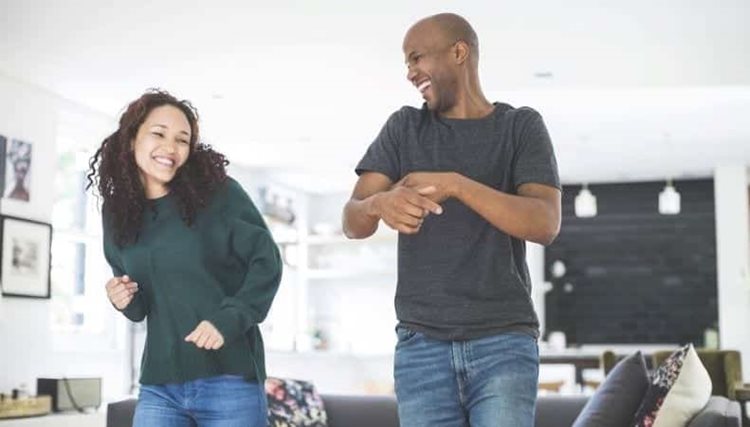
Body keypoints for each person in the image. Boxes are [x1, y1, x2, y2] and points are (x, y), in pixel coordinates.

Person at [342, 13, 561, 427]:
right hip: (421, 346)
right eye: (406, 64)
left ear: (459, 52)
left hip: (504, 342)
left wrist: (458, 185)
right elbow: (352, 219)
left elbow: (544, 222)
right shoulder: (404, 127)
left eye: (417, 58)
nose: (409, 73)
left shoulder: (520, 127)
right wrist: (378, 205)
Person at [87, 89, 282, 427]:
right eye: (158, 134)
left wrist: (229, 318)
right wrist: (122, 298)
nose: (171, 148)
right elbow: (140, 305)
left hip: (230, 379)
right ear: (132, 138)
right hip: (160, 384)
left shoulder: (220, 194)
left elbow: (267, 261)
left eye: (182, 140)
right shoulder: (116, 214)